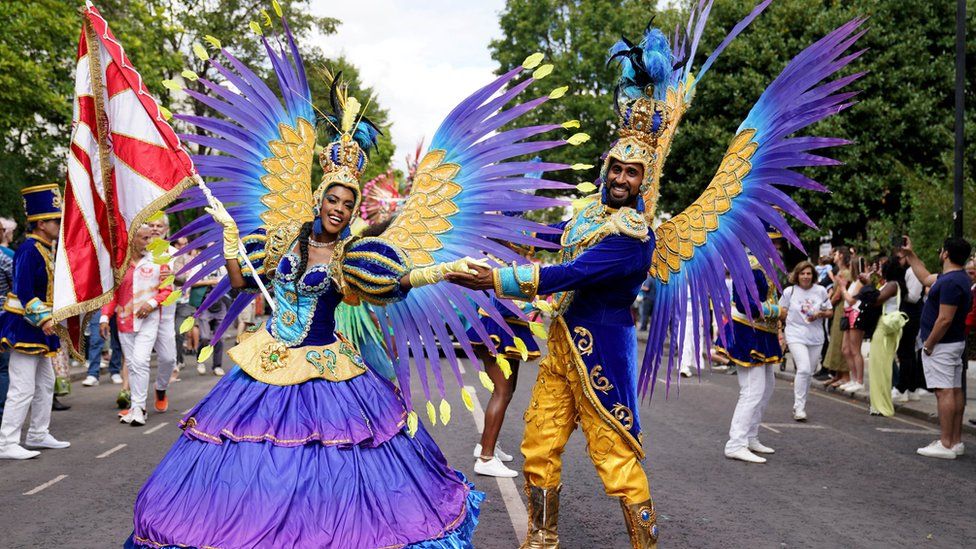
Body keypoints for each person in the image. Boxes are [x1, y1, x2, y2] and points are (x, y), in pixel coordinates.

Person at [0, 184, 70, 459]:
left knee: (44, 384)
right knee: (22, 387)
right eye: (56, 220)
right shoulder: (28, 250)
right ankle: (6, 442)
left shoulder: (45, 247)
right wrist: (44, 321)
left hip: (41, 328)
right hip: (25, 328)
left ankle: (39, 433)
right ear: (41, 224)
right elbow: (24, 291)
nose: (59, 224)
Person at [903, 236, 972, 459]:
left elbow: (944, 319)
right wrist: (910, 254)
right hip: (952, 343)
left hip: (942, 344)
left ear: (945, 254)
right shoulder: (956, 277)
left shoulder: (950, 282)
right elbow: (924, 277)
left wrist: (929, 344)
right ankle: (955, 442)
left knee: (944, 392)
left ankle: (945, 443)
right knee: (954, 390)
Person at [100, 224, 173, 426]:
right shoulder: (119, 263)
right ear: (131, 239)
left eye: (149, 238)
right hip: (124, 321)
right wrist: (105, 317)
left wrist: (151, 304)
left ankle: (140, 408)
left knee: (140, 361)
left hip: (148, 320)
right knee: (133, 365)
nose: (148, 242)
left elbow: (167, 290)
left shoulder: (159, 259)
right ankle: (136, 406)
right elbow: (111, 294)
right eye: (144, 238)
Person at [716, 257, 783, 463]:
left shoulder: (766, 262)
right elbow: (746, 304)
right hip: (748, 332)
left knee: (767, 386)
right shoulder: (747, 263)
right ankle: (736, 443)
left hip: (763, 332)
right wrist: (777, 312)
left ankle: (750, 436)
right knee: (752, 390)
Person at [468, 295, 540, 478]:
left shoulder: (504, 264)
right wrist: (536, 304)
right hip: (497, 328)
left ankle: (486, 444)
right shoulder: (497, 265)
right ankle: (486, 458)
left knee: (507, 391)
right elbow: (501, 305)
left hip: (507, 329)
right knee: (502, 393)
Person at [779, 260, 832, 421]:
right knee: (803, 368)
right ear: (797, 275)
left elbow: (830, 311)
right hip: (795, 334)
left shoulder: (820, 291)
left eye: (809, 273)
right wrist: (780, 332)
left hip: (815, 337)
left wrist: (820, 314)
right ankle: (799, 407)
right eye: (802, 273)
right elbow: (781, 312)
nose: (806, 276)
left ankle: (801, 404)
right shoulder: (790, 292)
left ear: (813, 275)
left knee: (808, 372)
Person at [864, 258, 906, 417]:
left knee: (880, 367)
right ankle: (878, 403)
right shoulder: (893, 284)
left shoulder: (892, 285)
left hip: (884, 327)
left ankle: (881, 405)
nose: (878, 269)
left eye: (881, 267)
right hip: (886, 326)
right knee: (880, 366)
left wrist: (869, 283)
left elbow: (875, 300)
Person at [145, 214, 179, 410]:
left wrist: (175, 275)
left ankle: (161, 387)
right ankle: (136, 403)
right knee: (137, 360)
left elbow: (184, 279)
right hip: (143, 312)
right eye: (152, 225)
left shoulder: (174, 254)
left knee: (168, 358)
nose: (156, 229)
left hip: (165, 313)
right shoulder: (140, 252)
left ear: (166, 230)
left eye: (160, 226)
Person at [892, 246, 926, 401]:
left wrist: (897, 292)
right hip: (907, 313)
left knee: (906, 352)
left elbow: (913, 296)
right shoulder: (906, 271)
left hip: (911, 313)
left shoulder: (912, 272)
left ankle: (903, 388)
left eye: (901, 257)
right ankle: (911, 387)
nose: (898, 261)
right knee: (906, 352)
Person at [823, 246, 853, 388]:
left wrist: (826, 304)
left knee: (841, 341)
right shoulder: (841, 272)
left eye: (835, 254)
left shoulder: (845, 273)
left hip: (842, 309)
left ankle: (845, 376)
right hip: (838, 309)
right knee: (836, 340)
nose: (833, 256)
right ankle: (838, 375)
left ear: (841, 255)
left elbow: (837, 295)